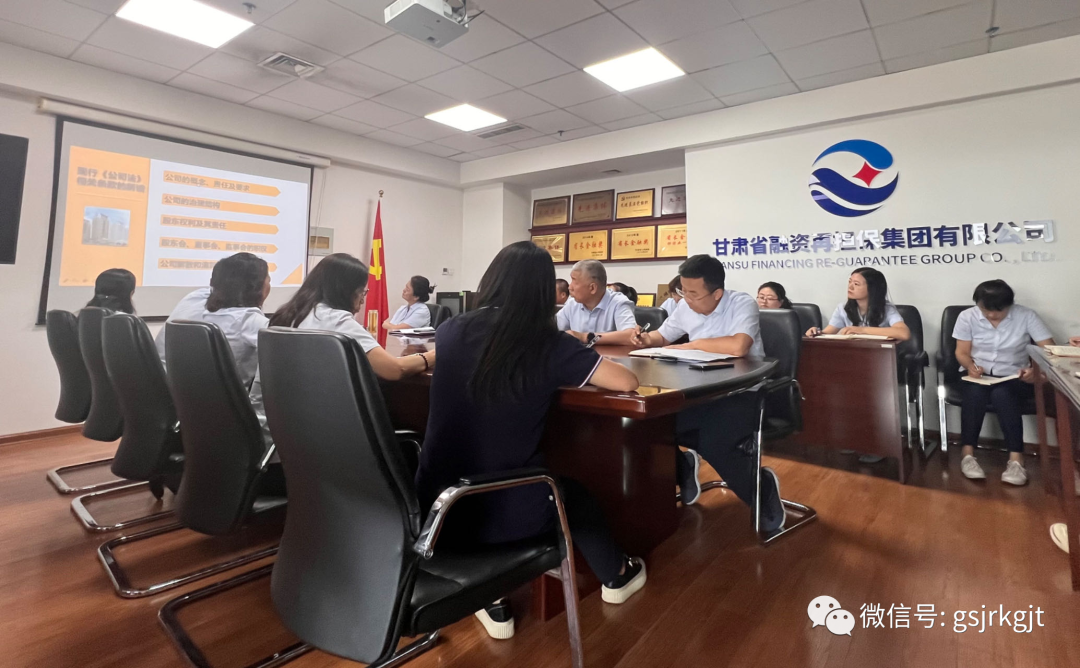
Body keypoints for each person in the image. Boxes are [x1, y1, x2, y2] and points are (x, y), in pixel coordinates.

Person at [414, 241, 646, 641]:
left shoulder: (451, 330)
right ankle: (617, 575)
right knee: (574, 495)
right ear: (544, 291)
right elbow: (627, 381)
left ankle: (491, 596)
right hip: (507, 513)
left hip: (436, 508)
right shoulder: (548, 342)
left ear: (492, 280)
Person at [630, 255, 785, 533]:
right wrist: (644, 338)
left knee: (714, 441)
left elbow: (738, 346)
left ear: (717, 293)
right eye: (683, 291)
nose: (686, 299)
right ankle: (684, 468)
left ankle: (763, 492)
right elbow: (662, 337)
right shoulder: (685, 306)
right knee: (651, 424)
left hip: (743, 393)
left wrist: (692, 345)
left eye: (693, 294)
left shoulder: (741, 303)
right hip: (700, 392)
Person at [953, 280, 1054, 485]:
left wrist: (1034, 371)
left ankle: (1016, 460)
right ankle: (968, 455)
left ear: (1009, 305)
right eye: (985, 310)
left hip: (1014, 377)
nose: (991, 315)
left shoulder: (1026, 316)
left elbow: (1049, 350)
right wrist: (970, 366)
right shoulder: (967, 316)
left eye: (998, 311)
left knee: (1003, 394)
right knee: (974, 392)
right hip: (979, 375)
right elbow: (961, 352)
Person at [154, 252, 270, 388]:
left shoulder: (193, 299)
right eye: (268, 281)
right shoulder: (250, 320)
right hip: (221, 399)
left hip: (166, 389)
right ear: (257, 288)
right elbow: (284, 356)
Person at [806, 267, 910, 341]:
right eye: (850, 282)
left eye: (856, 284)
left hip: (879, 356)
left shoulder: (887, 309)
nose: (850, 287)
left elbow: (904, 333)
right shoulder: (842, 308)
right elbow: (827, 333)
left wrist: (861, 330)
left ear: (872, 288)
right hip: (852, 355)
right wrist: (816, 332)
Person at [558, 260, 639, 346]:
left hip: (609, 354)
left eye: (574, 281)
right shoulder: (572, 304)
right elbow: (554, 330)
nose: (570, 287)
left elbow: (631, 335)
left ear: (592, 288)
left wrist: (585, 337)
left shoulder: (618, 303)